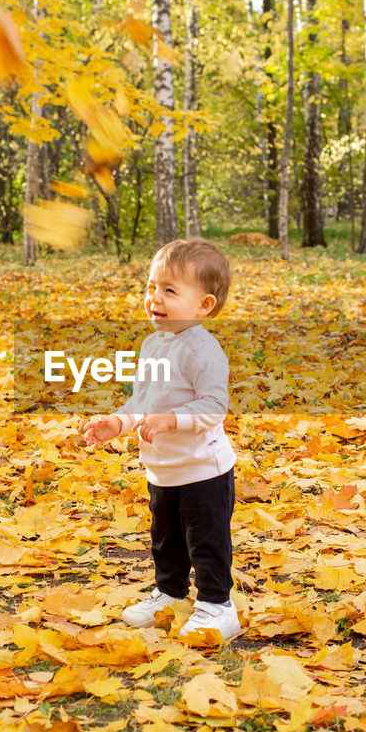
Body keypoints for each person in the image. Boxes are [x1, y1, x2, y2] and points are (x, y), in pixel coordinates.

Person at [83, 238, 241, 641]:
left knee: (206, 542)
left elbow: (212, 407)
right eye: (152, 287)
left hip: (203, 470)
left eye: (170, 290)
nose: (155, 297)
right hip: (163, 470)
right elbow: (143, 400)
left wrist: (171, 419)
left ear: (204, 305)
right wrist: (118, 424)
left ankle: (217, 606)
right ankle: (170, 594)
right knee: (166, 541)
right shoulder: (153, 344)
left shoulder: (204, 350)